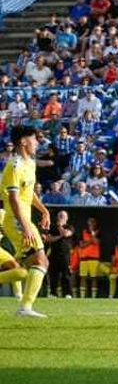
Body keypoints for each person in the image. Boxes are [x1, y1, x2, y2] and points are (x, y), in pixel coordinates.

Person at [0, 126, 50, 317]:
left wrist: (44, 210)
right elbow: (14, 199)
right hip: (16, 219)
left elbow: (28, 192)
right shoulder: (14, 166)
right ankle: (25, 307)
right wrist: (25, 226)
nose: (37, 143)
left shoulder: (30, 163)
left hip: (24, 219)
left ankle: (25, 307)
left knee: (24, 269)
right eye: (34, 139)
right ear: (23, 142)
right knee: (40, 260)